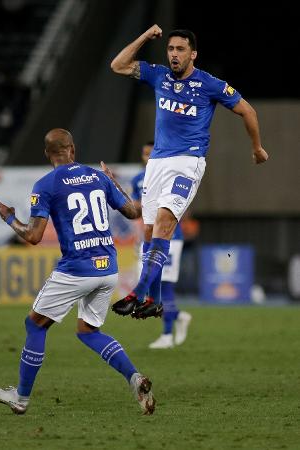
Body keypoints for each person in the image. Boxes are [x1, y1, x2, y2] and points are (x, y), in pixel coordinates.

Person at [0, 128, 156, 415]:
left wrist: (9, 218)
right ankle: (134, 377)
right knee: (88, 331)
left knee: (35, 324)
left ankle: (21, 398)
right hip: (108, 267)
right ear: (73, 150)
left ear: (47, 154)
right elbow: (133, 212)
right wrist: (115, 183)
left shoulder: (46, 184)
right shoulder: (99, 176)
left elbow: (33, 236)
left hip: (77, 268)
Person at [110, 25, 269, 319]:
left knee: (164, 224)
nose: (174, 54)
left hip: (187, 162)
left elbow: (248, 110)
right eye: (170, 49)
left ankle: (138, 292)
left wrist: (257, 148)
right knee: (149, 233)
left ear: (192, 54)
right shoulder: (158, 75)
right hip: (157, 163)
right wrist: (145, 37)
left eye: (180, 49)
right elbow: (117, 65)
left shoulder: (209, 84)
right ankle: (154, 301)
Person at [130, 141, 191, 349]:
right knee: (151, 286)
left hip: (170, 238)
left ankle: (166, 335)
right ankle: (178, 316)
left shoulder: (170, 174)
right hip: (148, 238)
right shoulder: (138, 179)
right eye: (145, 154)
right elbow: (137, 211)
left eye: (151, 153)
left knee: (164, 284)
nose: (147, 158)